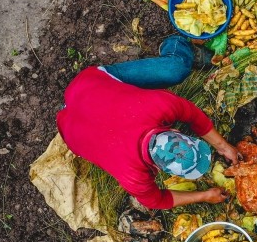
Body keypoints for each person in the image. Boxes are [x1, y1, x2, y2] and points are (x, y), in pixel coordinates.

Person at [57, 34, 239, 210]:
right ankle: (177, 45)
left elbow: (192, 114)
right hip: (75, 110)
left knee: (175, 69)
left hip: (84, 97)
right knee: (175, 70)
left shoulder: (159, 106)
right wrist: (204, 196)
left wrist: (223, 146)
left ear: (174, 132)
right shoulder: (133, 175)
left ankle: (177, 47)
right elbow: (155, 201)